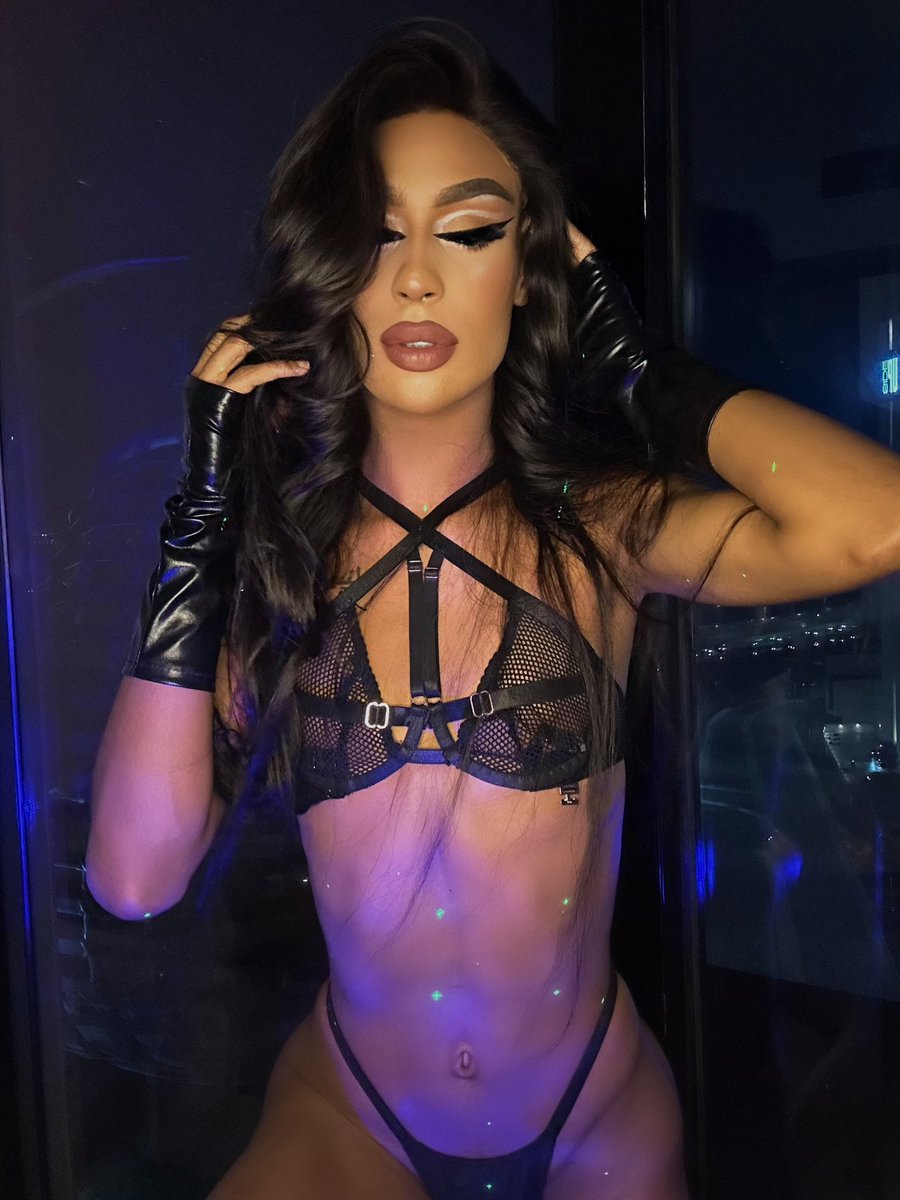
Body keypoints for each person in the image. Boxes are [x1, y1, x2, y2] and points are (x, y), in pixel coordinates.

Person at [85, 18, 900, 1200]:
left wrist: (642, 374)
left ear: (530, 268)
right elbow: (133, 878)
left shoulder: (603, 526)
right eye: (376, 233)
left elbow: (874, 522)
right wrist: (201, 522)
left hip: (593, 1118)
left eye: (468, 230)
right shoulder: (280, 562)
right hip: (350, 1114)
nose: (417, 276)